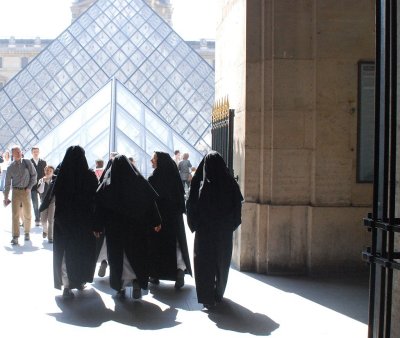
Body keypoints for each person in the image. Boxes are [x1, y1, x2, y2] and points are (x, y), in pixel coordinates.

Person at [94, 154, 161, 299]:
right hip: (136, 228)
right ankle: (137, 281)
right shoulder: (139, 182)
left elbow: (99, 208)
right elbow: (151, 203)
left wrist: (97, 227)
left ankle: (120, 286)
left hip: (115, 230)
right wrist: (156, 221)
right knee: (137, 256)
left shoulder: (107, 184)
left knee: (119, 258)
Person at [186, 151, 243, 309]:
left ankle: (206, 296)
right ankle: (218, 292)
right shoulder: (231, 184)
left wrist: (195, 224)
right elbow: (237, 209)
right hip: (223, 232)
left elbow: (191, 206)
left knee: (204, 264)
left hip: (204, 232)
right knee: (221, 263)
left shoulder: (200, 185)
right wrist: (229, 226)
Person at [52, 145, 98, 299]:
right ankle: (79, 280)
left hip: (63, 221)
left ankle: (66, 286)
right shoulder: (89, 176)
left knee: (64, 254)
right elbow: (94, 200)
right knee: (80, 252)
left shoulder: (61, 176)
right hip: (83, 223)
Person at [148, 151, 192, 289]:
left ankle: (155, 274)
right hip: (174, 218)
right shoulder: (174, 177)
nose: (151, 160)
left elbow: (151, 201)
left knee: (157, 247)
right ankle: (179, 271)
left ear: (159, 161)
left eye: (154, 158)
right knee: (176, 246)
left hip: (158, 219)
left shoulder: (154, 178)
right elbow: (181, 198)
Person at [3, 146, 37, 245]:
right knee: (15, 215)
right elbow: (7, 184)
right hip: (16, 192)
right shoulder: (10, 168)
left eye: (19, 151)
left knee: (27, 213)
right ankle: (15, 236)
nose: (18, 153)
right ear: (12, 154)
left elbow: (34, 176)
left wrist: (30, 187)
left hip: (26, 191)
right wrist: (6, 197)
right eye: (16, 152)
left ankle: (27, 232)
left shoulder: (27, 162)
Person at [37, 165, 55, 243]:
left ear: (53, 172)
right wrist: (43, 182)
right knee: (43, 220)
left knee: (51, 220)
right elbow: (40, 191)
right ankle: (45, 230)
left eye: (50, 171)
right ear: (45, 171)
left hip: (52, 202)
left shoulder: (55, 180)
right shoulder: (41, 180)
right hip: (44, 202)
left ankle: (50, 237)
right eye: (47, 170)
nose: (48, 172)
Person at [30, 147, 47, 226]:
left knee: (42, 201)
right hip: (32, 185)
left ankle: (41, 216)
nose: (35, 153)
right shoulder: (29, 162)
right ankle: (37, 218)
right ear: (32, 153)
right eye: (34, 152)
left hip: (41, 184)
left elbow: (45, 173)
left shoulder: (43, 162)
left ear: (39, 152)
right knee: (35, 202)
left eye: (37, 151)